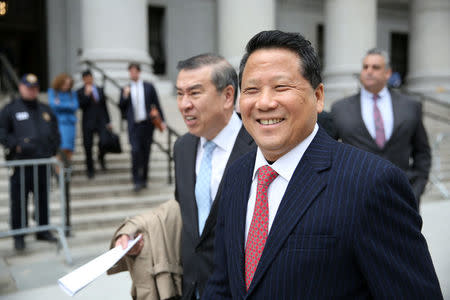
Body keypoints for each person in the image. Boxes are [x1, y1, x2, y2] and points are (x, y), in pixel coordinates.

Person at [203, 30, 442, 299]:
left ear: (318, 97)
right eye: (252, 90)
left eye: (281, 87)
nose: (265, 102)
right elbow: (222, 283)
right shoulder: (237, 175)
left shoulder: (372, 183)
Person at [115, 54, 255, 299]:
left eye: (194, 93)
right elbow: (185, 211)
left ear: (228, 96)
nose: (184, 104)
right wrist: (140, 234)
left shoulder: (259, 149)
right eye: (180, 93)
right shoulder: (183, 147)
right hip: (192, 287)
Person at [331, 48, 431, 205]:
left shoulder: (411, 106)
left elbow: (422, 152)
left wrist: (416, 190)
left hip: (402, 198)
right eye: (365, 67)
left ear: (388, 73)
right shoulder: (340, 108)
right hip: (354, 200)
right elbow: (328, 153)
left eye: (375, 67)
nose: (369, 71)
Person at [0, 74, 60, 250]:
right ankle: (19, 235)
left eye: (34, 88)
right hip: (20, 164)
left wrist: (53, 149)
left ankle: (43, 230)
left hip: (42, 163)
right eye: (28, 87)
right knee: (19, 200)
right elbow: (2, 131)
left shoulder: (45, 109)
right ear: (21, 87)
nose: (32, 90)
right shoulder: (11, 108)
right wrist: (14, 145)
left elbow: (55, 132)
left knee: (42, 198)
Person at [119, 62, 166, 192]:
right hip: (134, 126)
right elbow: (121, 107)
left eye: (135, 71)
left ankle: (144, 178)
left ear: (138, 72)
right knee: (135, 152)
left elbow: (157, 104)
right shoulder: (126, 88)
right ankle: (136, 180)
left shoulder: (148, 87)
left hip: (147, 125)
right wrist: (125, 96)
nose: (133, 74)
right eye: (131, 72)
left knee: (146, 153)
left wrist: (163, 121)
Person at [77, 69, 111, 178]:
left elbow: (105, 106)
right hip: (88, 123)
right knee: (88, 146)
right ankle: (90, 169)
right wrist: (87, 94)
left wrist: (108, 121)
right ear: (83, 79)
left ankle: (101, 158)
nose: (88, 79)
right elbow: (81, 106)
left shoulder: (100, 89)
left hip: (101, 121)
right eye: (86, 78)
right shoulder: (80, 91)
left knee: (104, 141)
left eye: (89, 77)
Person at [48, 73, 79, 166]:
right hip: (60, 123)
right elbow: (53, 105)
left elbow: (75, 106)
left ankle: (67, 170)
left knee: (69, 148)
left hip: (71, 124)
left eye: (69, 84)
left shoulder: (72, 93)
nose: (67, 86)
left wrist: (60, 104)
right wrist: (68, 105)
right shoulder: (53, 92)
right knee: (62, 147)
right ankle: (59, 171)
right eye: (65, 84)